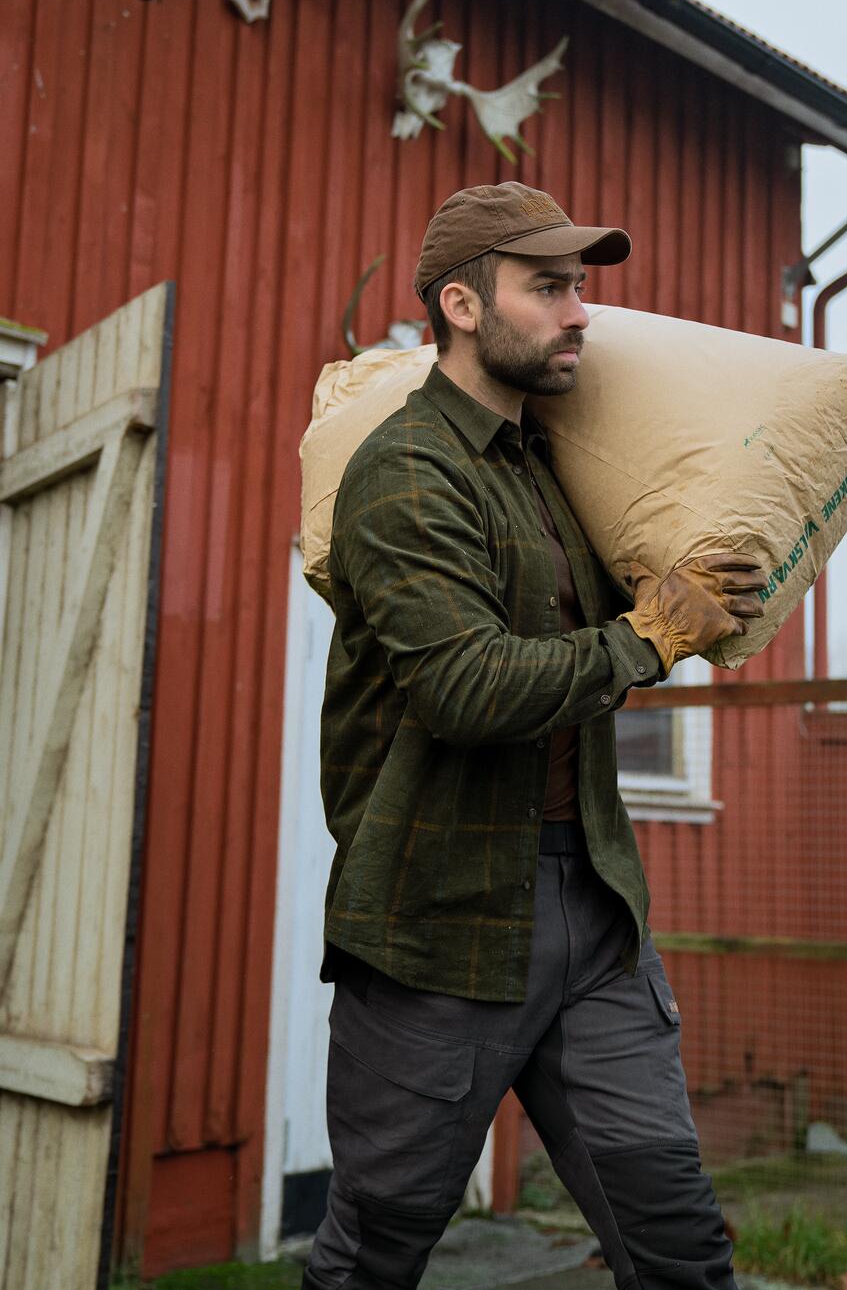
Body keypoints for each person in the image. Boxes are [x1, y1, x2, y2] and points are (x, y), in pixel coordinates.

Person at [303, 181, 766, 1290]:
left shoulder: (555, 472)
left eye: (581, 287)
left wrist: (698, 583)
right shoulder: (408, 473)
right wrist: (649, 635)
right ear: (462, 304)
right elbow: (463, 687)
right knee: (376, 1253)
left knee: (678, 1245)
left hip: (594, 913)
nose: (579, 313)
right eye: (549, 286)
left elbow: (616, 628)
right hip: (439, 927)